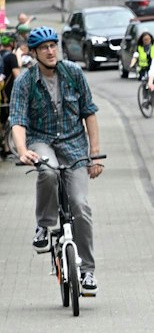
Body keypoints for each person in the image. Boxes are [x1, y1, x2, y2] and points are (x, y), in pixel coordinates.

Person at [11, 25, 104, 294]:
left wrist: (94, 153)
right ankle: (43, 225)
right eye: (44, 48)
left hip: (74, 143)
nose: (50, 51)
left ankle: (87, 272)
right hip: (42, 140)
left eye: (53, 46)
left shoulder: (73, 73)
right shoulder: (24, 82)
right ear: (34, 53)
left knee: (80, 206)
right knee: (48, 170)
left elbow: (89, 112)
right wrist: (21, 149)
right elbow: (17, 119)